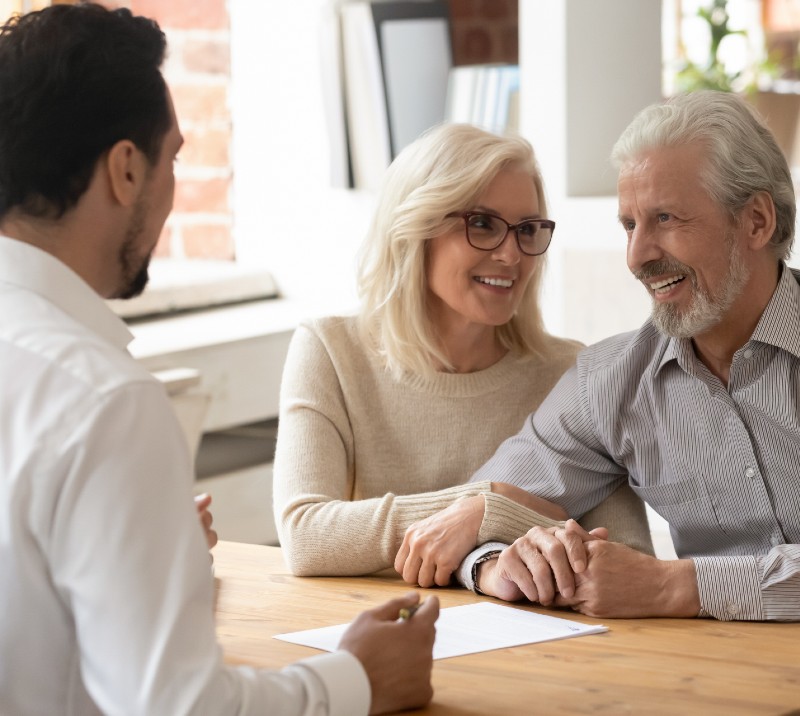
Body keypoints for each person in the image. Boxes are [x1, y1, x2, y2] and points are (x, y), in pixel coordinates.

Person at [0, 5, 438, 715]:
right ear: (124, 169)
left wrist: (151, 561)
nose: (174, 187)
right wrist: (357, 678)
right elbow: (175, 706)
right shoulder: (104, 401)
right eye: (173, 158)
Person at [400, 90, 800, 622]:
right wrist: (502, 563)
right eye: (630, 226)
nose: (637, 257)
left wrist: (672, 588)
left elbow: (667, 589)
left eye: (666, 218)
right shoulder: (611, 382)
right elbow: (470, 524)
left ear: (755, 222)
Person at [273, 122, 652, 581]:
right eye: (483, 224)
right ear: (415, 231)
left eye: (527, 230)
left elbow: (625, 556)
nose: (512, 256)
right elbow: (305, 536)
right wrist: (490, 497)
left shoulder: (573, 372)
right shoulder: (330, 352)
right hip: (381, 634)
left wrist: (481, 516)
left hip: (538, 644)